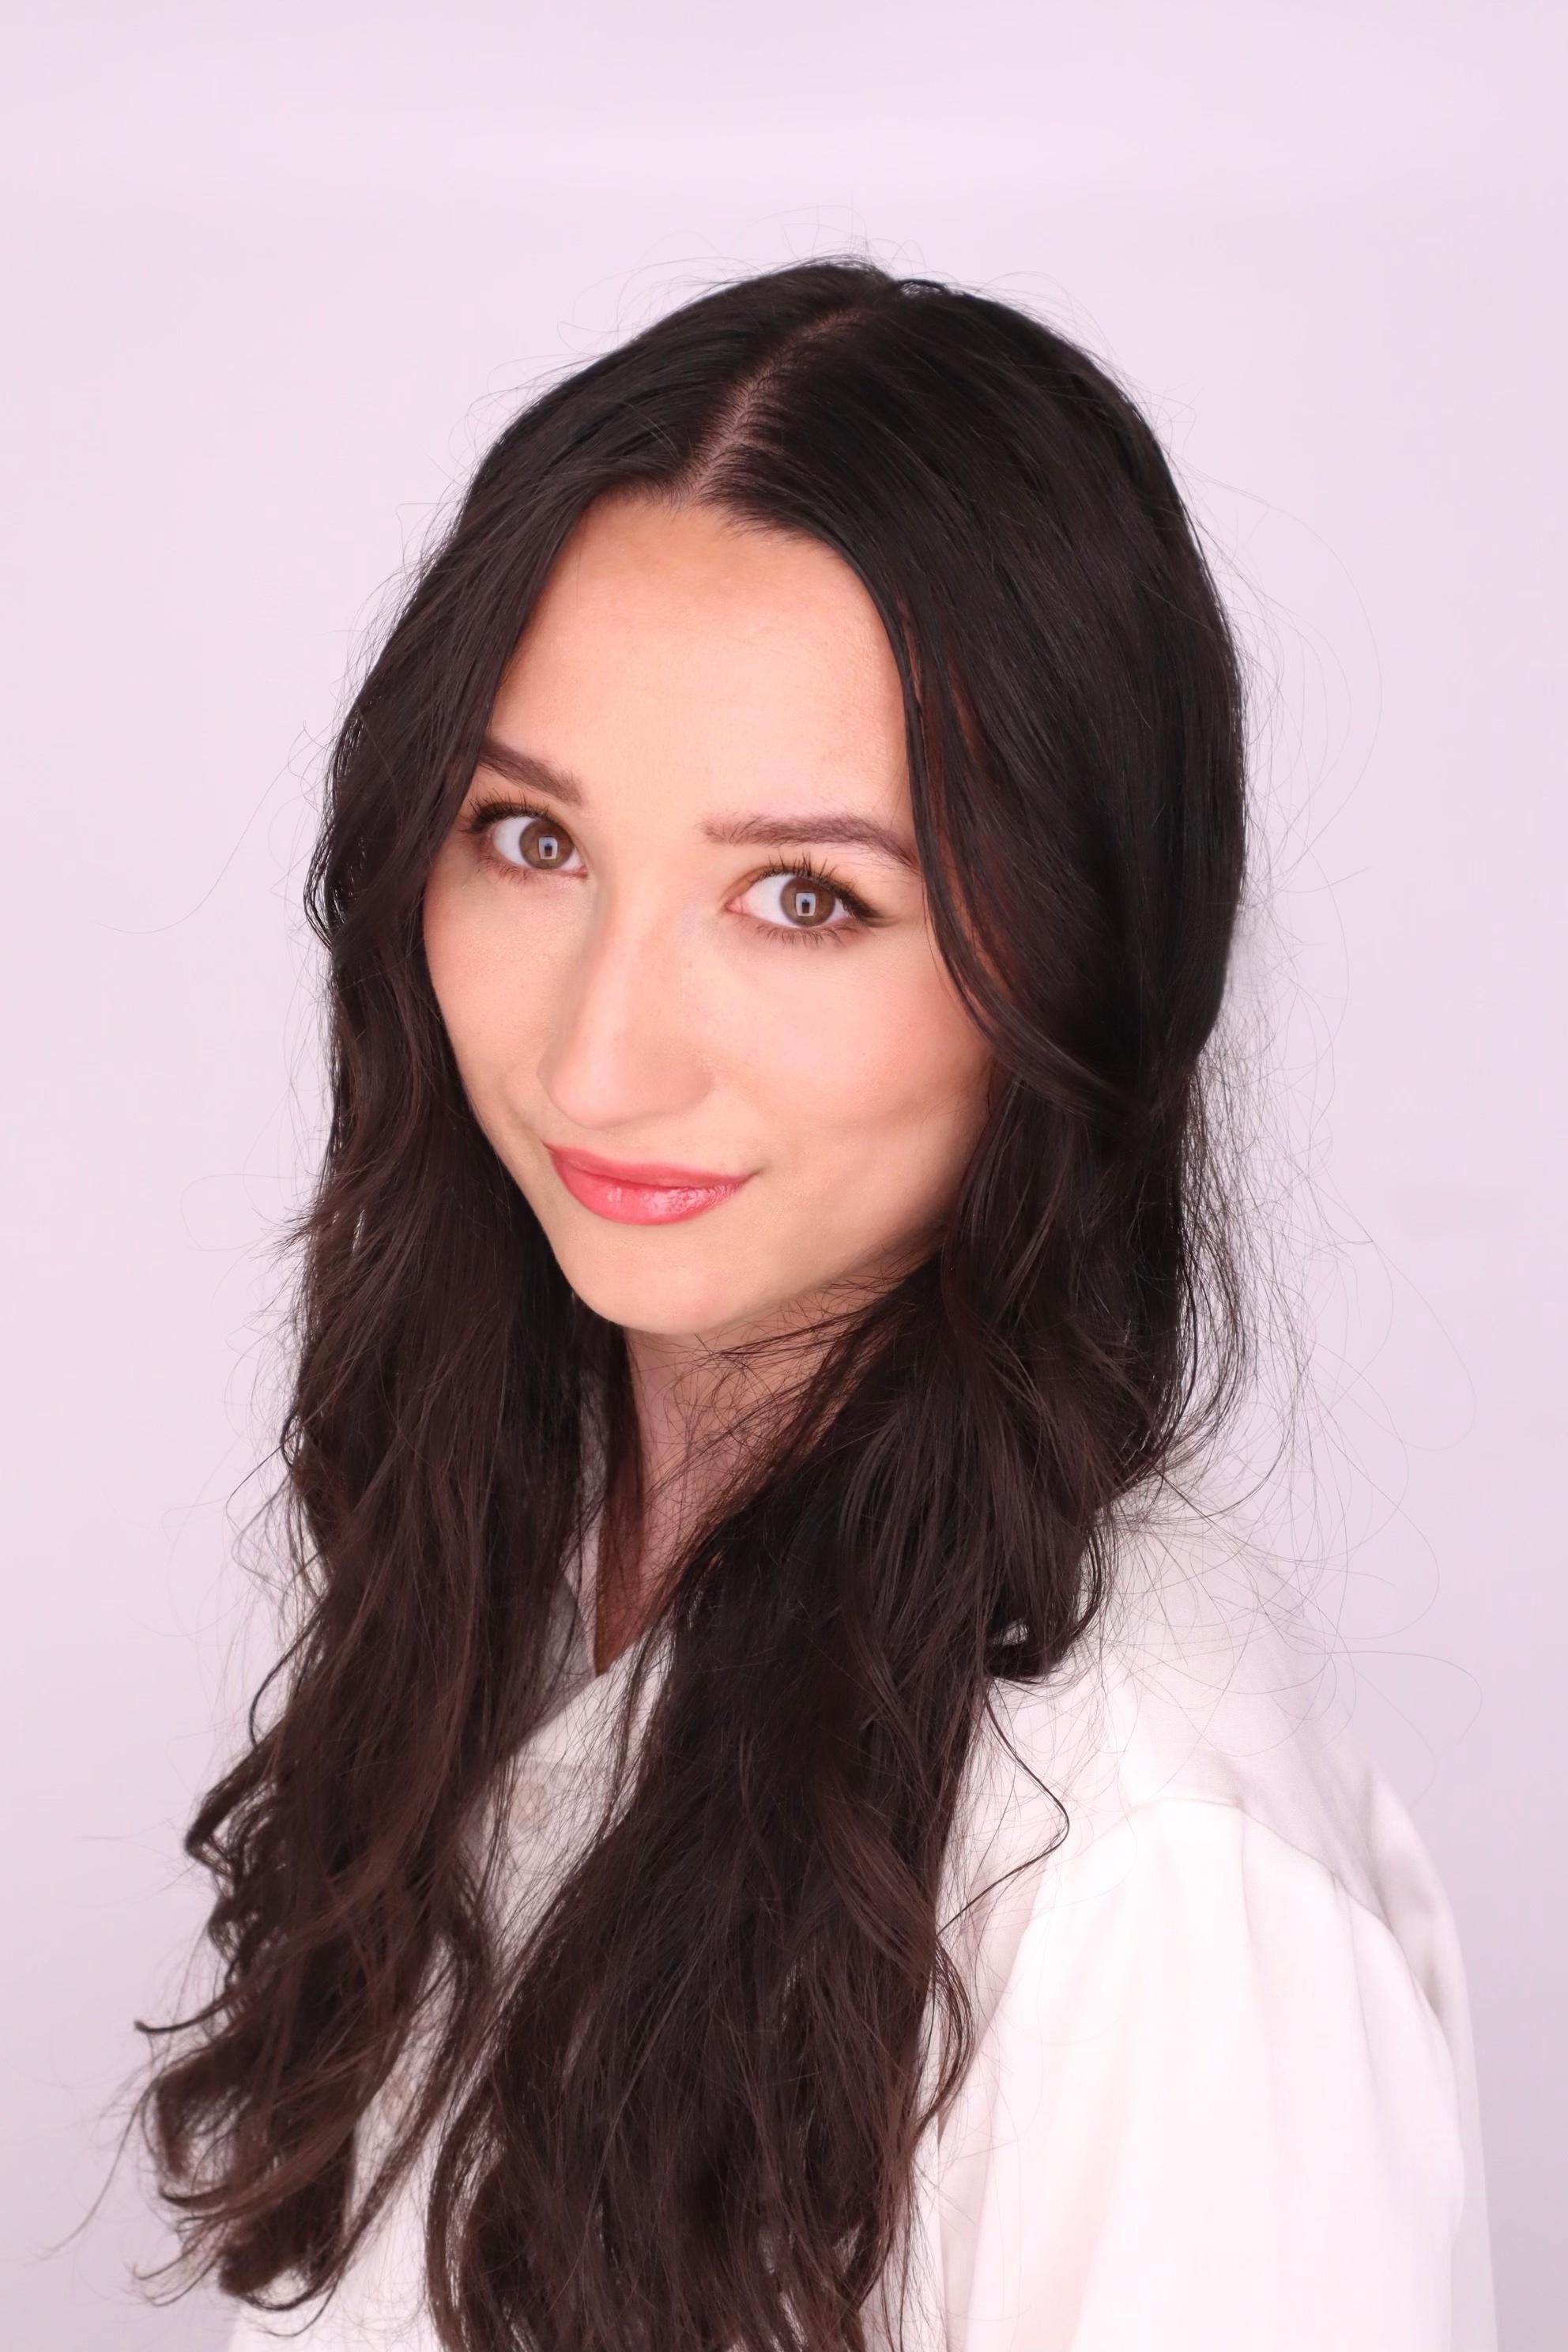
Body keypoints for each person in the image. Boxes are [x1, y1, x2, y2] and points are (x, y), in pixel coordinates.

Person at [132, 256, 1496, 2350]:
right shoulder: (520, 1594)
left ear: (1080, 961)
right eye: (530, 839)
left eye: (805, 898)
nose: (600, 1058)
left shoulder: (1148, 1878)